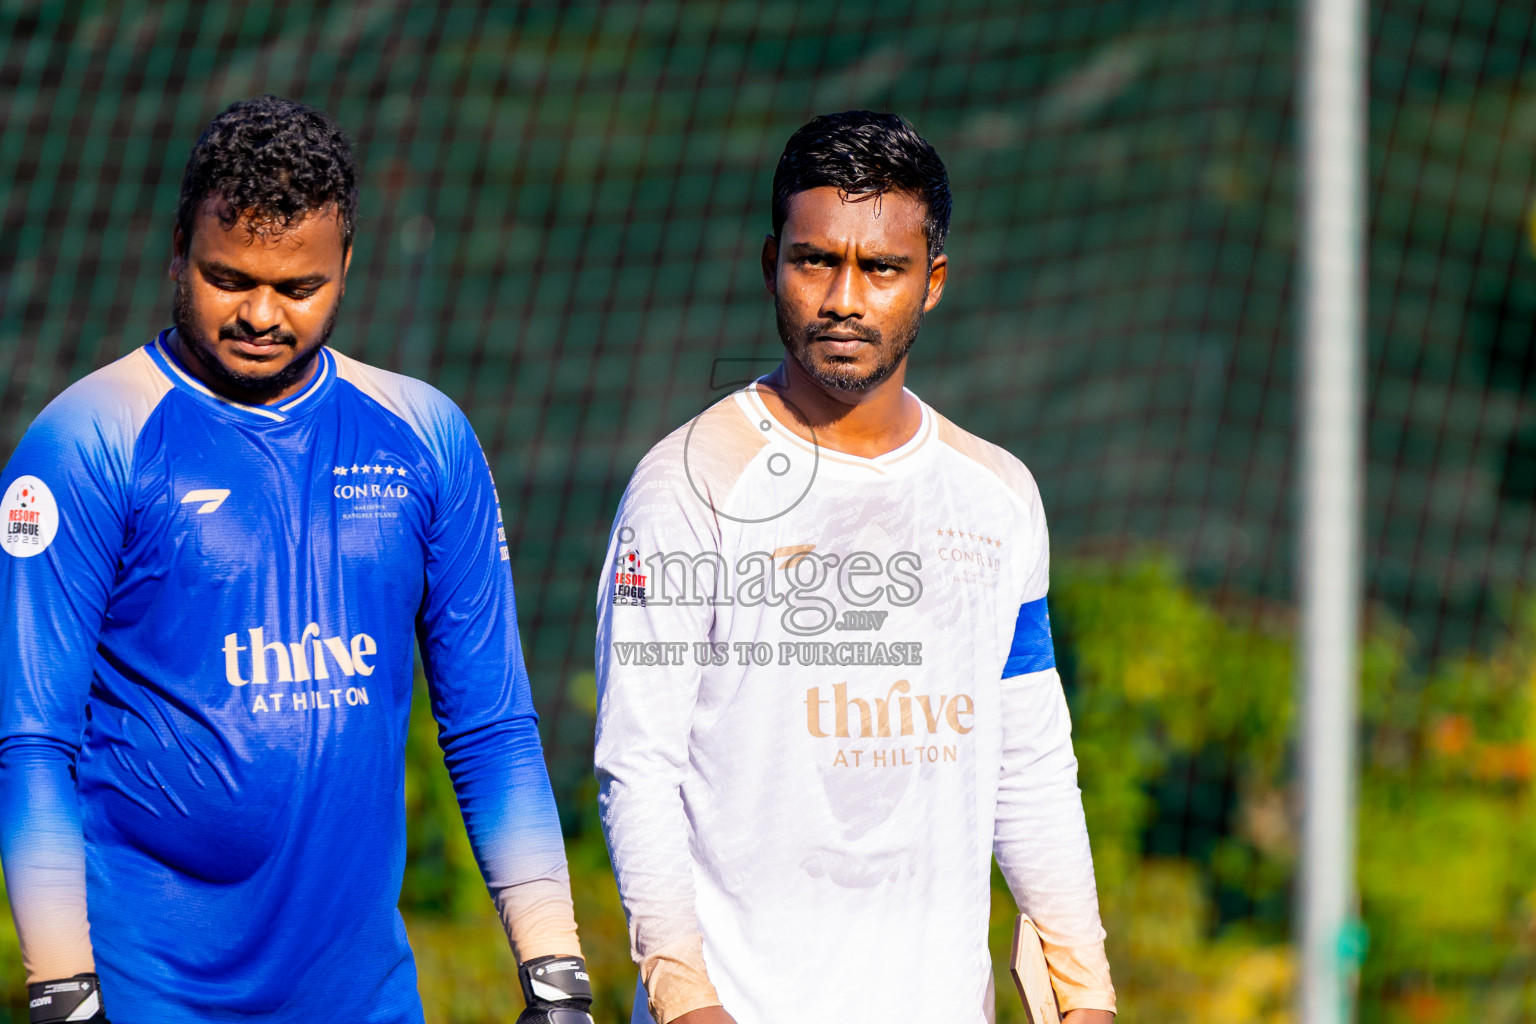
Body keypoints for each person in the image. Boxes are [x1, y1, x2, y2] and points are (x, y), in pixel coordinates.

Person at [0, 96, 593, 1024]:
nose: (261, 315)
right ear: (177, 252)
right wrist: (62, 992)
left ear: (346, 265)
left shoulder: (425, 434)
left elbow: (492, 726)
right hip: (148, 992)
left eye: (299, 287)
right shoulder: (84, 439)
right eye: (228, 278)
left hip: (365, 998)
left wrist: (556, 976)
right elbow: (33, 739)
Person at [594, 111, 1116, 1024]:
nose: (844, 297)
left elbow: (1030, 763)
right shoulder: (688, 483)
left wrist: (1086, 995)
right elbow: (638, 767)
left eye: (881, 268)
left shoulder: (998, 496)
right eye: (814, 261)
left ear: (932, 282)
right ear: (772, 265)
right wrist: (684, 1000)